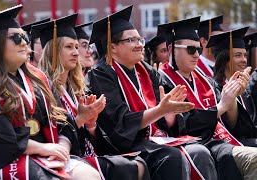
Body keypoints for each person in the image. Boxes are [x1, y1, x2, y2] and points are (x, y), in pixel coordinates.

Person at [0, 5, 100, 179]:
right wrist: (42, 148)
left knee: (93, 174)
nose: (24, 42)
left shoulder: (37, 78)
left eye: (25, 37)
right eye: (16, 38)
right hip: (7, 160)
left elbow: (63, 121)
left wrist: (62, 149)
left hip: (49, 154)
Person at [85, 5, 197, 180]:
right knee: (172, 157)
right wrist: (161, 110)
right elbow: (120, 125)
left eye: (140, 39)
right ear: (112, 47)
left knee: (198, 151)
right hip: (125, 146)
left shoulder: (146, 71)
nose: (139, 45)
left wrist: (169, 114)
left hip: (155, 140)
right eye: (131, 40)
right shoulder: (101, 75)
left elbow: (163, 117)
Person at [35, 14, 150, 180]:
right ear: (52, 52)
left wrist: (91, 125)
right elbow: (52, 136)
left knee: (138, 164)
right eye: (68, 47)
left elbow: (92, 136)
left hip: (86, 153)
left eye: (76, 47)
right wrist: (81, 119)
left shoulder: (78, 88)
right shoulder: (43, 89)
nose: (76, 53)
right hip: (64, 157)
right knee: (128, 167)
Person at [157, 17, 257, 180]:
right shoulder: (161, 82)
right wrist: (222, 106)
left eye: (198, 49)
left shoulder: (207, 82)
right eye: (191, 49)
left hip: (217, 142)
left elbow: (232, 126)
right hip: (190, 145)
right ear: (171, 49)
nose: (197, 55)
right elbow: (185, 125)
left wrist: (231, 100)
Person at [207, 27, 257, 147]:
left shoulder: (246, 87)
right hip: (230, 144)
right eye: (238, 55)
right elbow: (232, 127)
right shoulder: (213, 88)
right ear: (224, 59)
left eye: (245, 55)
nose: (244, 60)